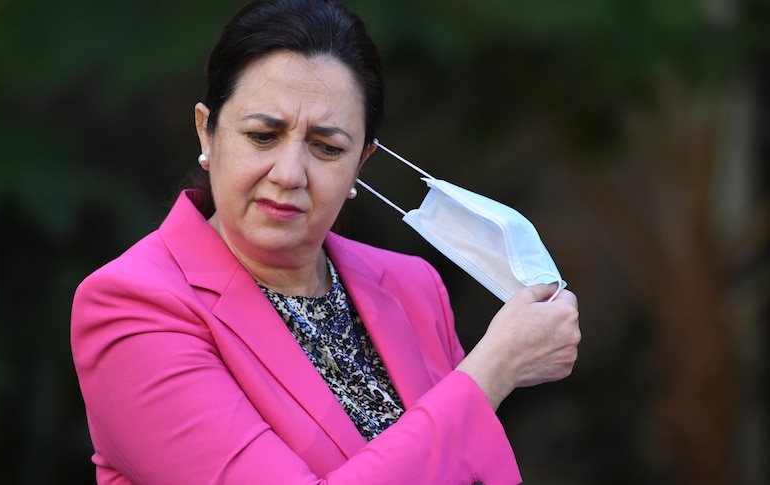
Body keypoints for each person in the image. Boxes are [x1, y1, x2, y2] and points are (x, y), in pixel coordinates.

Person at [70, 0, 581, 483]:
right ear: (208, 131)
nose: (290, 173)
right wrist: (492, 370)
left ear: (362, 162)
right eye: (262, 136)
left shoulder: (412, 286)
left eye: (326, 147)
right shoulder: (134, 306)